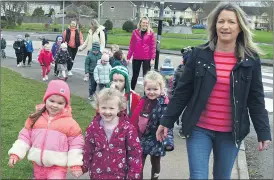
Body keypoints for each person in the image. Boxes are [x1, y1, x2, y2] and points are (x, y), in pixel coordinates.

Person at [156, 3, 272, 179]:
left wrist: (263, 131)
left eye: (231, 22)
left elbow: (256, 99)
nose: (225, 26)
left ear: (240, 26)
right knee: (198, 176)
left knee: (222, 176)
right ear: (214, 25)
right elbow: (182, 92)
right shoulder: (199, 55)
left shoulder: (250, 60)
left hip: (231, 132)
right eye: (221, 21)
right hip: (199, 129)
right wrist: (166, 121)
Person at [8, 80, 84, 179]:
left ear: (66, 104)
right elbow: (24, 137)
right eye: (51, 101)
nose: (55, 105)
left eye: (60, 103)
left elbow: (76, 145)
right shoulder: (35, 118)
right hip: (38, 166)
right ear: (45, 99)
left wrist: (75, 164)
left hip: (58, 168)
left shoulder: (70, 124)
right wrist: (15, 154)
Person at [82, 88, 143, 179]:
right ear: (98, 107)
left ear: (119, 108)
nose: (107, 111)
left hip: (119, 175)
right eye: (104, 107)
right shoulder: (93, 127)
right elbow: (88, 149)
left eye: (111, 108)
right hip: (97, 174)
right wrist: (83, 166)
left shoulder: (127, 129)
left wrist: (133, 174)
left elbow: (134, 154)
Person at [130, 71, 174, 180]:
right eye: (149, 89)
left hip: (157, 139)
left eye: (155, 89)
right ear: (144, 88)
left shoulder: (164, 104)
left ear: (161, 88)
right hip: (143, 138)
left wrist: (168, 141)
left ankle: (155, 177)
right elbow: (135, 118)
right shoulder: (143, 100)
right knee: (139, 162)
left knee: (155, 161)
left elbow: (167, 124)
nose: (152, 92)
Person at [127, 16, 156, 90]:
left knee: (146, 76)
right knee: (135, 75)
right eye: (143, 22)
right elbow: (132, 45)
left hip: (147, 57)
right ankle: (131, 91)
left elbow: (153, 46)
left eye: (146, 23)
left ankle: (146, 93)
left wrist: (152, 58)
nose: (145, 24)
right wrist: (128, 57)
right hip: (137, 57)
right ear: (140, 23)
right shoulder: (135, 32)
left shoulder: (151, 33)